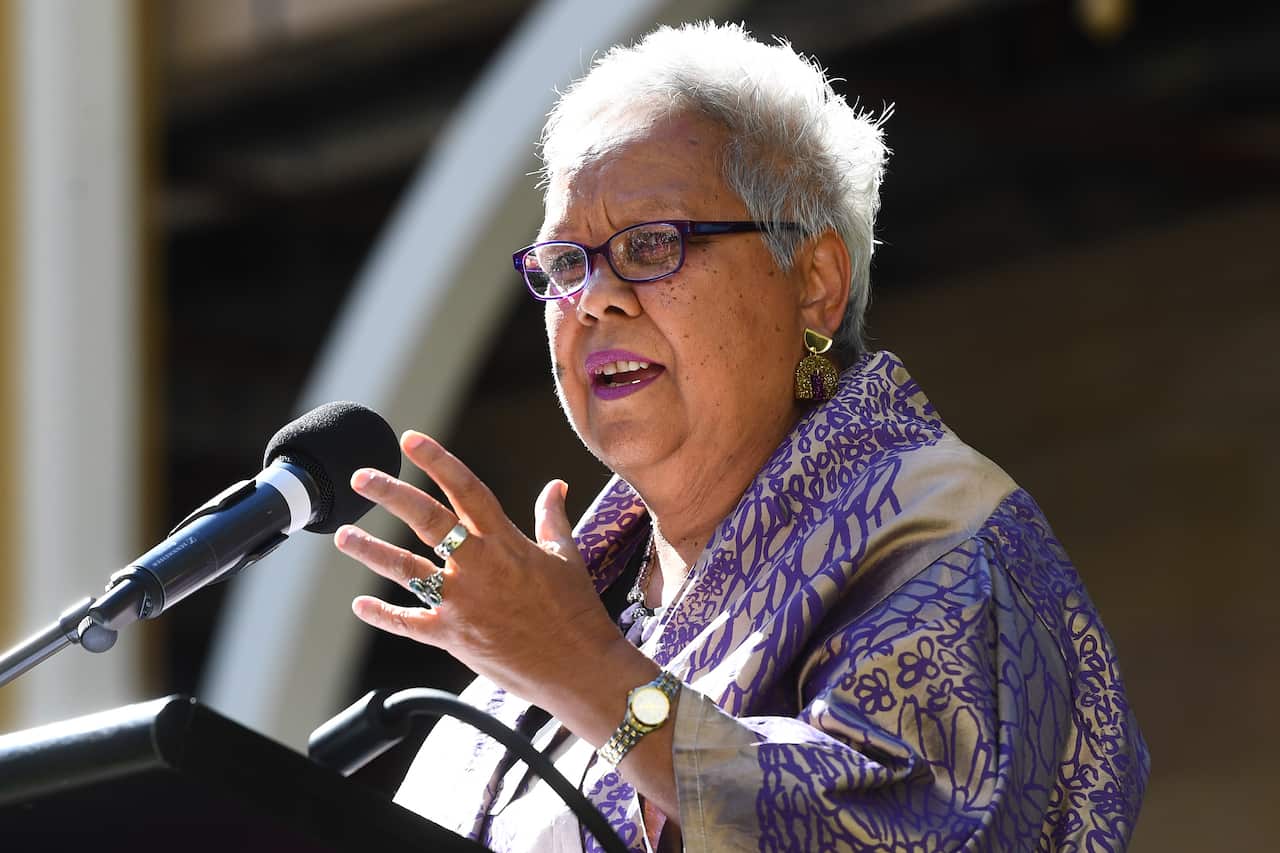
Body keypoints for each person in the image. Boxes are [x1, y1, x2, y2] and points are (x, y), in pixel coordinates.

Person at [333, 21, 1149, 853]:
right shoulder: (566, 610)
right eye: (567, 264)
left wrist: (580, 666)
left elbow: (898, 833)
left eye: (651, 245)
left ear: (816, 283)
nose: (593, 300)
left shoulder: (947, 538)